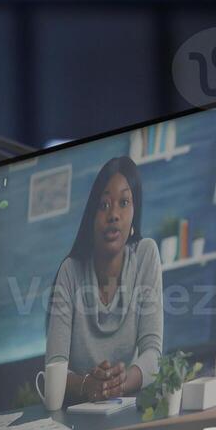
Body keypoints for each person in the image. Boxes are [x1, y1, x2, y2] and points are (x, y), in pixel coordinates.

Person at [45, 155, 164, 404]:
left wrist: (120, 383)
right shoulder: (70, 271)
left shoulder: (146, 255)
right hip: (77, 413)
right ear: (92, 217)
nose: (114, 215)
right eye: (104, 205)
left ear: (135, 212)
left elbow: (153, 353)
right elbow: (55, 366)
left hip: (126, 408)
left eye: (124, 202)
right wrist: (88, 385)